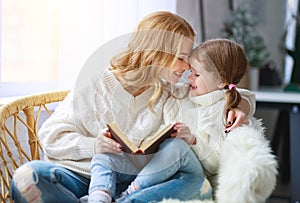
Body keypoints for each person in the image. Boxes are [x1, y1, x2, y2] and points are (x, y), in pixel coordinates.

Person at [10, 12, 255, 203]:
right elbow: (51, 137)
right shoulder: (96, 82)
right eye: (181, 58)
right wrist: (94, 145)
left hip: (134, 184)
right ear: (155, 52)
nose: (186, 68)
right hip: (82, 177)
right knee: (27, 178)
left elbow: (217, 90)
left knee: (198, 184)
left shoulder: (169, 90)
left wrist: (241, 105)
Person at [178, 38, 258, 191]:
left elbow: (214, 164)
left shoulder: (222, 111)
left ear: (221, 80)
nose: (189, 78)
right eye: (190, 72)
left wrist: (192, 140)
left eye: (196, 74)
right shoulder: (195, 97)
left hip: (205, 187)